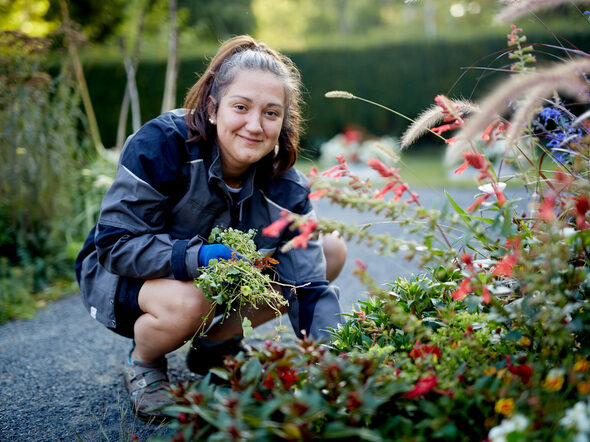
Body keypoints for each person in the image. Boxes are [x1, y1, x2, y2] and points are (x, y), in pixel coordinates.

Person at [75, 35, 347, 421]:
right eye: (241, 107)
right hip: (121, 276)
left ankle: (216, 345)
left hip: (210, 283)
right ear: (213, 108)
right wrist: (197, 256)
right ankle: (145, 363)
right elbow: (116, 243)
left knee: (330, 249)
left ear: (283, 121)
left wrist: (333, 366)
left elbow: (309, 287)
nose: (255, 125)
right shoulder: (163, 144)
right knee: (193, 299)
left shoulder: (287, 187)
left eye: (271, 113)